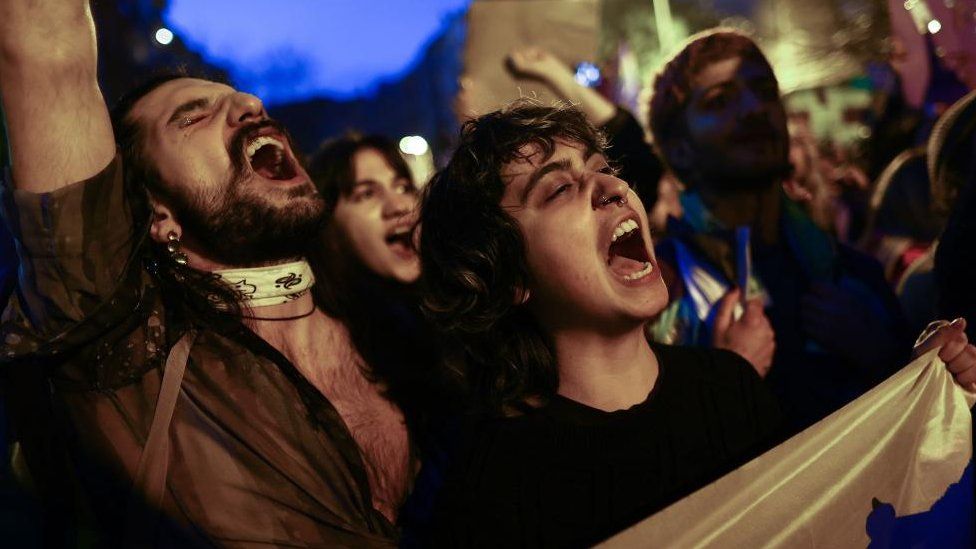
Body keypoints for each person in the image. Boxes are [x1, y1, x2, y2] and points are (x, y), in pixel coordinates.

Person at [0, 1, 405, 545]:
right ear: (157, 214)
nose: (252, 105)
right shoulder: (123, 342)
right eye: (192, 116)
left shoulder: (397, 331)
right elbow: (43, 31)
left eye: (241, 99)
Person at [411, 102, 785, 547]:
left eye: (603, 167)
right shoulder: (496, 491)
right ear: (509, 275)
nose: (610, 187)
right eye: (559, 189)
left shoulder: (730, 387)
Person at [646, 29, 912, 430]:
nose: (755, 108)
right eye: (720, 100)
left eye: (765, 90)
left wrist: (888, 358)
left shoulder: (852, 273)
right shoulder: (660, 294)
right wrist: (722, 385)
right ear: (679, 148)